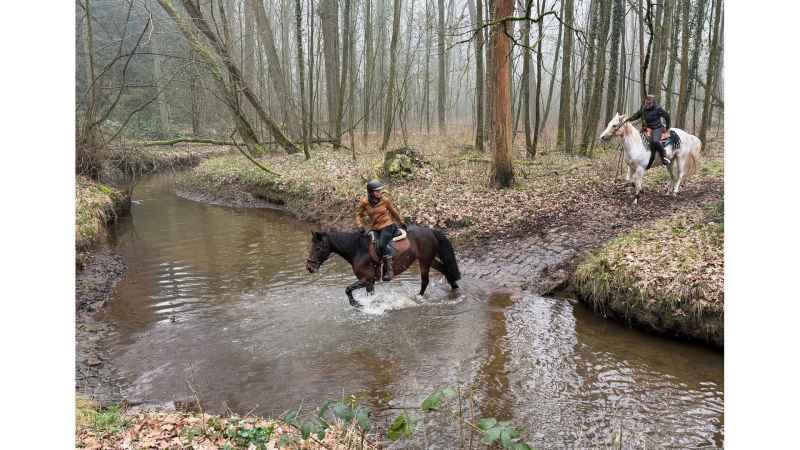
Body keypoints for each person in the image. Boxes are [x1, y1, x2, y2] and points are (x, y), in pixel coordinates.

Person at [356, 179, 406, 281]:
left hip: (388, 226)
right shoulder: (365, 202)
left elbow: (394, 212)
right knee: (368, 244)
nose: (380, 192)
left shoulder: (385, 200)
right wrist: (360, 225)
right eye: (377, 191)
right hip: (375, 227)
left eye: (380, 190)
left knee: (381, 245)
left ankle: (389, 271)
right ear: (370, 192)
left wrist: (402, 222)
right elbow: (358, 215)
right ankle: (375, 269)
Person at [626, 94, 672, 165]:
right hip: (647, 129)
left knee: (655, 141)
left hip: (657, 128)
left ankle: (663, 157)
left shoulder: (658, 109)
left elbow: (667, 116)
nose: (647, 105)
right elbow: (636, 115)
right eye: (646, 103)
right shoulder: (643, 108)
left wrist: (667, 127)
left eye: (649, 103)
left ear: (653, 103)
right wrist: (628, 120)